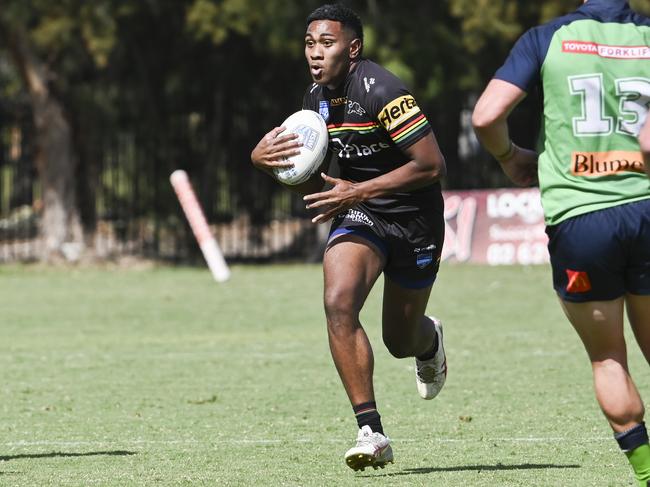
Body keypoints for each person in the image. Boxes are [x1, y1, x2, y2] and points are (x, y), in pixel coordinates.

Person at [251, 4, 447, 471]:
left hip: (415, 219)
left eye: (327, 43)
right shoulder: (313, 99)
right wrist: (268, 162)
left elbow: (431, 165)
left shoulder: (384, 91)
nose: (315, 54)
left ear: (353, 48)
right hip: (361, 214)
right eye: (309, 43)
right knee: (338, 302)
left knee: (400, 339)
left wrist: (356, 188)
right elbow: (315, 177)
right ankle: (371, 431)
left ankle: (429, 341)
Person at [472, 0, 650, 484]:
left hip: (582, 220)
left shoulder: (546, 39)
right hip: (648, 207)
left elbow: (486, 115)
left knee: (608, 357)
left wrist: (509, 156)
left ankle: (647, 473)